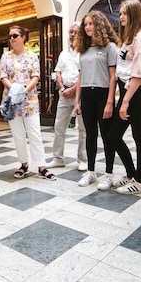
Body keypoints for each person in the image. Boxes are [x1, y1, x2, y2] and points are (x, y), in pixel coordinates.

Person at [104, 0, 141, 194]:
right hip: (129, 89)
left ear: (134, 14)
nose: (121, 17)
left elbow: (140, 72)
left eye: (125, 13)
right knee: (114, 134)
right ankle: (132, 174)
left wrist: (125, 101)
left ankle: (140, 181)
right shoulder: (129, 38)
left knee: (139, 135)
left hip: (138, 90)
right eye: (120, 13)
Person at [0, 25, 56, 180]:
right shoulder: (5, 56)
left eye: (15, 35)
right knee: (18, 135)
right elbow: (3, 76)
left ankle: (41, 166)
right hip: (12, 101)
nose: (12, 39)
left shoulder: (32, 56)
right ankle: (24, 164)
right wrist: (15, 91)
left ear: (24, 37)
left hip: (29, 101)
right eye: (10, 36)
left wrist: (23, 91)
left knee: (35, 134)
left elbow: (35, 76)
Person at [74, 11, 118, 188]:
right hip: (86, 95)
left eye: (91, 23)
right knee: (90, 135)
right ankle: (91, 171)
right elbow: (80, 77)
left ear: (99, 24)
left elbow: (113, 77)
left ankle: (108, 174)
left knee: (107, 136)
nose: (87, 27)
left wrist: (109, 102)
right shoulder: (83, 50)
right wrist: (77, 102)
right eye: (85, 24)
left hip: (103, 94)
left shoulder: (109, 47)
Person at [47, 23, 87, 171]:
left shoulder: (85, 53)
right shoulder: (63, 53)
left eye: (75, 32)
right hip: (63, 94)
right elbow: (58, 72)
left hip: (80, 94)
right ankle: (58, 158)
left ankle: (83, 159)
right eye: (70, 32)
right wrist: (63, 88)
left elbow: (85, 74)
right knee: (59, 126)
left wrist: (73, 89)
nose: (72, 35)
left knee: (83, 128)